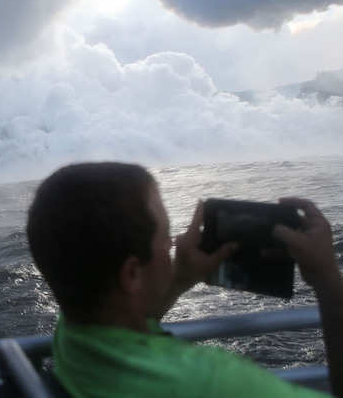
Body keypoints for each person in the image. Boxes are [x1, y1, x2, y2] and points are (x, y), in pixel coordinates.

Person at [26, 162, 343, 397]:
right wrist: (327, 278)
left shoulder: (72, 337)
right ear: (132, 274)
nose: (177, 244)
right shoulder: (212, 382)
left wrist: (180, 279)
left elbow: (123, 312)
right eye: (166, 240)